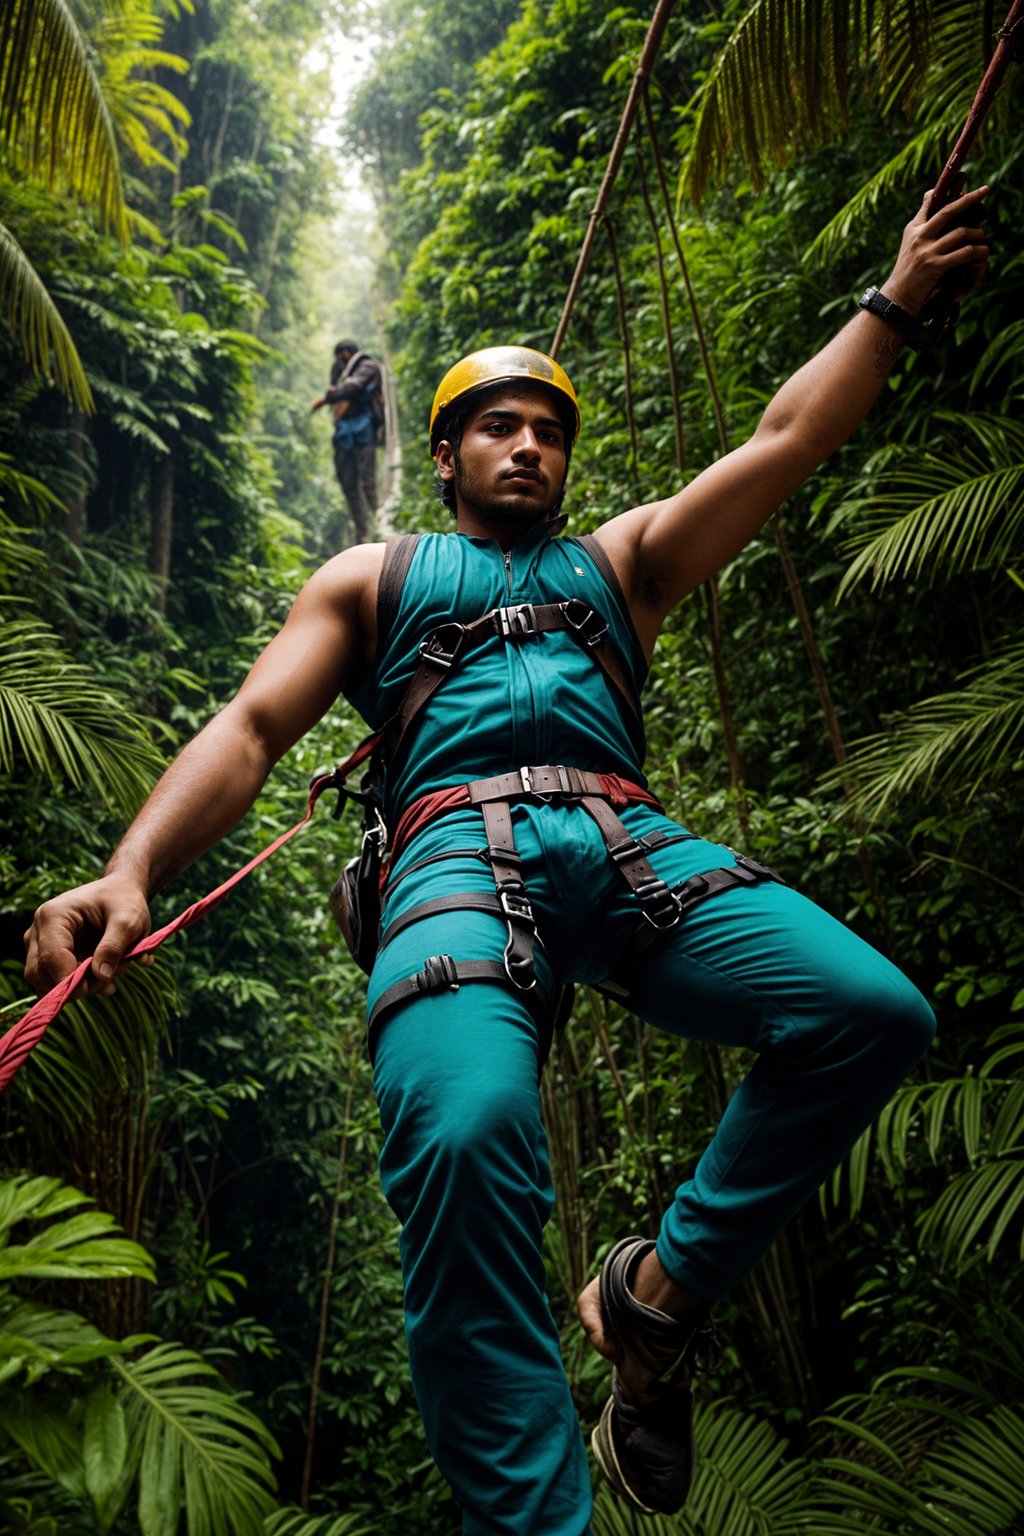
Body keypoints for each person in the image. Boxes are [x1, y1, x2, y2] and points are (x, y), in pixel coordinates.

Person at [25, 187, 988, 1535]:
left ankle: (656, 1297)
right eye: (498, 426)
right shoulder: (376, 578)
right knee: (471, 1133)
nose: (528, 446)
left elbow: (788, 439)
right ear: (447, 454)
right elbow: (250, 727)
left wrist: (895, 299)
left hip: (628, 853)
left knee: (870, 1013)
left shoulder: (626, 563)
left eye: (547, 430)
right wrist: (132, 873)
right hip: (449, 876)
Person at [311, 338, 382, 543]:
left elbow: (352, 388)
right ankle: (362, 533)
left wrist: (326, 398)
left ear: (345, 353)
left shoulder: (366, 364)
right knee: (348, 483)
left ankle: (378, 519)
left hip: (364, 427)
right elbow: (337, 388)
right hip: (345, 431)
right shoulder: (340, 370)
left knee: (367, 479)